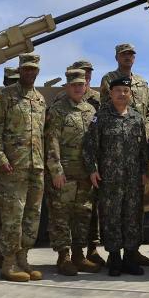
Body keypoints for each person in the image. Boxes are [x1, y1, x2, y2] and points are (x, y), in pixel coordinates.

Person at [0, 53, 47, 282]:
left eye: (34, 69)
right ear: (20, 70)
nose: (30, 72)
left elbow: (43, 135)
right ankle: (8, 262)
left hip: (35, 167)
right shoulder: (5, 96)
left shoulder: (40, 100)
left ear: (38, 71)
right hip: (12, 168)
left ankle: (23, 259)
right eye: (26, 69)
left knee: (32, 216)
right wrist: (0, 159)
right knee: (12, 216)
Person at [98, 43, 149, 268]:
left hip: (136, 147)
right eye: (124, 54)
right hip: (114, 151)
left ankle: (132, 253)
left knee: (134, 209)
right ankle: (115, 255)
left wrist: (145, 132)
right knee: (113, 209)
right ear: (116, 57)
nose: (128, 57)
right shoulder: (108, 79)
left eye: (131, 54)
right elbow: (105, 109)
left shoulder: (142, 82)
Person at [84, 76, 148, 276]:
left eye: (125, 91)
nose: (122, 94)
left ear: (130, 94)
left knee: (132, 217)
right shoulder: (100, 117)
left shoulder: (137, 118)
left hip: (132, 178)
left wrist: (144, 171)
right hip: (109, 179)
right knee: (110, 218)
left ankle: (130, 257)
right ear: (110, 94)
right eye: (118, 90)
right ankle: (114, 258)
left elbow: (142, 149)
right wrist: (92, 169)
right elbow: (90, 146)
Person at [45, 68, 100, 276]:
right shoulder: (58, 110)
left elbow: (94, 144)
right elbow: (52, 141)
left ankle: (79, 254)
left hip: (85, 174)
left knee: (83, 215)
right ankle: (64, 256)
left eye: (81, 84)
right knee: (61, 215)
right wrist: (56, 170)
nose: (78, 88)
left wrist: (94, 169)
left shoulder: (91, 111)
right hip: (65, 174)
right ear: (67, 87)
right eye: (74, 85)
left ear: (86, 86)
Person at [0, 66, 18, 269]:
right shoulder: (0, 100)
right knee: (0, 214)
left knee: (12, 215)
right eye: (10, 81)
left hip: (19, 166)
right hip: (1, 166)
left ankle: (5, 255)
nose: (13, 85)